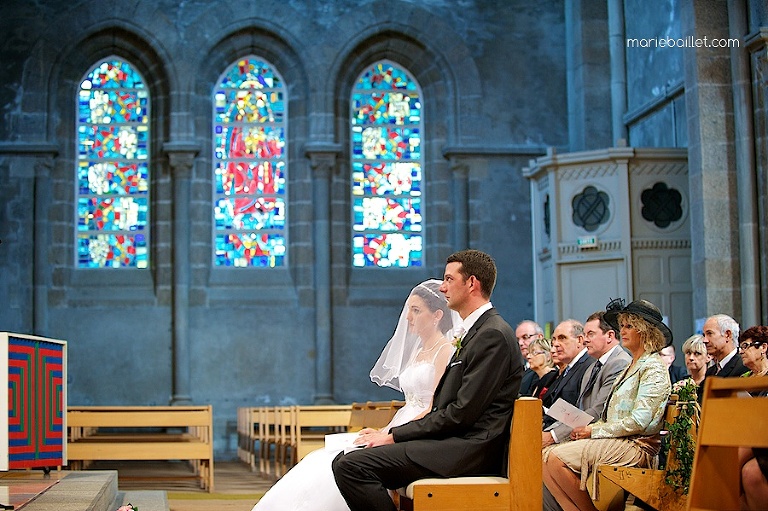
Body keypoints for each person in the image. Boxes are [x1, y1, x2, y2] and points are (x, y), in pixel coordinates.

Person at [331, 249, 523, 511]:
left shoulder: (492, 335)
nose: (442, 288)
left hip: (469, 449)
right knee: (346, 458)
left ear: (471, 284)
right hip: (454, 441)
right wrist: (391, 434)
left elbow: (460, 414)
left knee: (351, 466)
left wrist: (394, 437)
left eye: (449, 279)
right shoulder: (477, 332)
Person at [250, 280, 458, 511]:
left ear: (437, 315)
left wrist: (390, 435)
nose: (408, 317)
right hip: (401, 423)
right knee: (322, 458)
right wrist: (383, 430)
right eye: (408, 309)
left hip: (419, 431)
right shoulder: (419, 351)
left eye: (416, 310)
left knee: (340, 463)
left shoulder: (445, 351)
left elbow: (434, 407)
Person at [542, 298, 672, 511]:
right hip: (620, 440)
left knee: (556, 458)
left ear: (645, 331)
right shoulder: (632, 365)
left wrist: (593, 430)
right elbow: (611, 413)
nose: (623, 331)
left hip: (637, 446)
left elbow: (639, 421)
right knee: (544, 457)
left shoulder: (653, 367)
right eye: (622, 326)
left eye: (629, 326)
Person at [542, 311, 631, 448]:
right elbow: (579, 410)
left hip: (604, 438)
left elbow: (597, 412)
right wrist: (548, 432)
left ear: (609, 336)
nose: (585, 340)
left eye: (591, 334)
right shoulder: (594, 366)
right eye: (585, 335)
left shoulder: (619, 363)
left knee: (549, 457)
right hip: (583, 433)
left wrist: (552, 436)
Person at [736, 325, 768, 509]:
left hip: (763, 440)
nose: (742, 351)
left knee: (749, 472)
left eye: (746, 346)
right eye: (741, 347)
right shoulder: (743, 379)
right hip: (746, 437)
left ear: (763, 347)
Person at [541, 319, 594, 429]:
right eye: (554, 339)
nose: (555, 344)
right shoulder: (568, 368)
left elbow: (584, 411)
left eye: (562, 338)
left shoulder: (590, 366)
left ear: (579, 340)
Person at [702, 314, 748, 378]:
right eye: (704, 335)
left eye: (710, 333)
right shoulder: (710, 372)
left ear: (727, 335)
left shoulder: (744, 366)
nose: (705, 340)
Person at [517, 320, 545, 396]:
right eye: (517, 339)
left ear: (540, 337)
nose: (520, 343)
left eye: (525, 337)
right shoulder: (520, 369)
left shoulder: (546, 369)